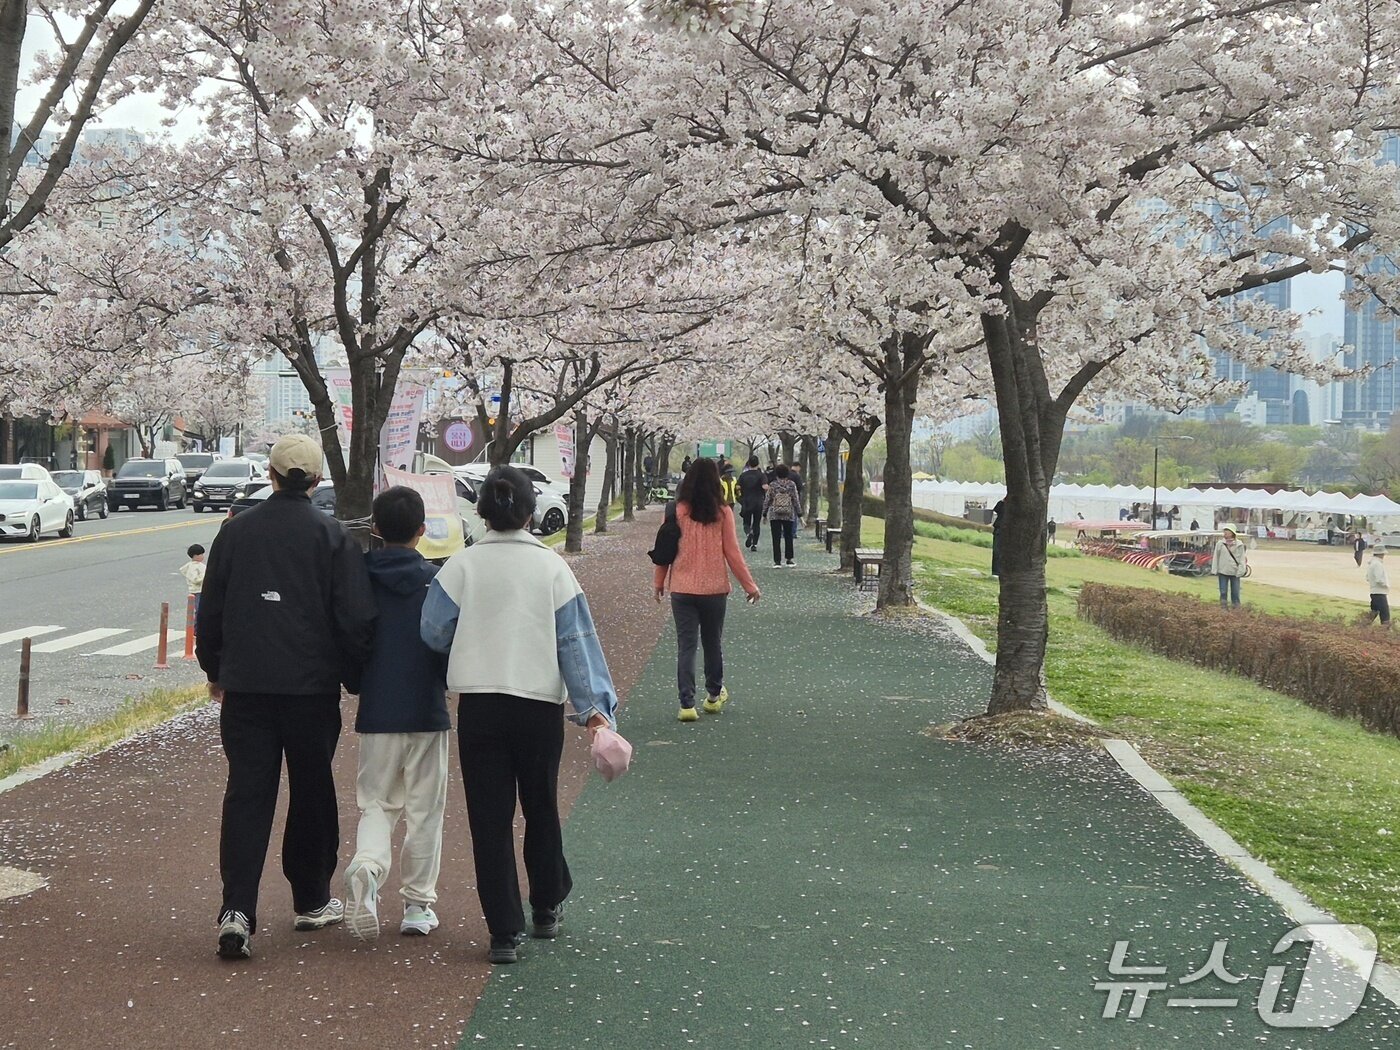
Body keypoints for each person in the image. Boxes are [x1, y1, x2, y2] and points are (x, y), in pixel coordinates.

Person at [420, 465, 619, 965]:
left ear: (483, 512)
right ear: (531, 512)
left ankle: (503, 932)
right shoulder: (552, 568)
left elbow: (432, 632)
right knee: (540, 806)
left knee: (489, 819)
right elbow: (574, 643)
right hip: (537, 705)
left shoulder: (460, 566)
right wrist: (595, 711)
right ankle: (547, 905)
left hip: (480, 705)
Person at [198, 434, 376, 961]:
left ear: (269, 475)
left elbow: (210, 611)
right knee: (312, 790)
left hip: (247, 686)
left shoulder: (235, 533)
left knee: (248, 794)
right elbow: (356, 617)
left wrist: (217, 669)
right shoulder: (333, 537)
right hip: (310, 688)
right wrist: (353, 676)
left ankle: (237, 909)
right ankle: (311, 898)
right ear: (316, 480)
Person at [343, 487, 451, 943]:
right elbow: (447, 641)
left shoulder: (358, 579)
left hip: (378, 708)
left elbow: (350, 636)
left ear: (376, 530)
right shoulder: (437, 581)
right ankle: (417, 906)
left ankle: (368, 868)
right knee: (426, 809)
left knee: (378, 802)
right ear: (422, 531)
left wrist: (358, 681)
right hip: (427, 707)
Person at [653, 458, 761, 722]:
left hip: (682, 589)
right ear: (715, 481)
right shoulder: (723, 513)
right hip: (714, 590)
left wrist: (659, 582)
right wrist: (749, 585)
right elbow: (732, 553)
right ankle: (713, 696)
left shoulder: (675, 511)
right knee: (713, 643)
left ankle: (686, 704)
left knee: (686, 646)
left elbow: (664, 550)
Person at [763, 464, 803, 567]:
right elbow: (796, 499)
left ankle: (777, 561)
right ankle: (789, 559)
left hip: (774, 514)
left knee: (775, 537)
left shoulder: (772, 485)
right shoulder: (791, 485)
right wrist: (800, 514)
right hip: (788, 513)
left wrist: (764, 513)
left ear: (776, 474)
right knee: (788, 536)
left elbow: (768, 499)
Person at [737, 455, 767, 551]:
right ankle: (754, 545)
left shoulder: (743, 475)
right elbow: (765, 487)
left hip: (746, 502)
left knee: (746, 522)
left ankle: (748, 533)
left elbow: (737, 488)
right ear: (757, 464)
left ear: (748, 464)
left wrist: (740, 498)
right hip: (758, 501)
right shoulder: (761, 475)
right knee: (756, 523)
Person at [1212, 525, 1247, 608]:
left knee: (1235, 592)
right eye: (1225, 531)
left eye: (1227, 531)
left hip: (1235, 571)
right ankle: (1223, 607)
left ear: (1232, 533)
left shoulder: (1239, 544)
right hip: (1223, 571)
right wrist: (1215, 569)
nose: (1225, 533)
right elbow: (1216, 557)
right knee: (1223, 591)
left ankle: (1236, 608)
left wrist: (1241, 570)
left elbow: (1242, 558)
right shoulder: (1220, 544)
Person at [1367, 547, 1391, 628]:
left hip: (1373, 591)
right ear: (1380, 554)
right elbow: (1379, 579)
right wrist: (1386, 585)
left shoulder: (1372, 564)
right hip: (1380, 592)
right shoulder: (1377, 564)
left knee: (1374, 612)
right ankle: (1385, 633)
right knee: (1385, 614)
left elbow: (1367, 577)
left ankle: (1362, 626)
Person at [181, 543, 206, 617]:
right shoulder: (193, 567)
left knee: (201, 609)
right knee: (199, 610)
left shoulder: (199, 565)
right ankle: (196, 626)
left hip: (201, 590)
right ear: (195, 556)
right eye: (201, 554)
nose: (202, 556)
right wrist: (205, 576)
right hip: (197, 591)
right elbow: (195, 579)